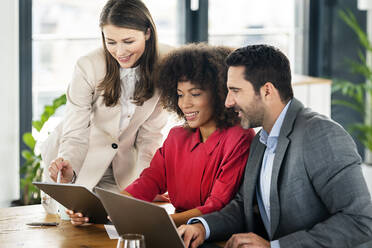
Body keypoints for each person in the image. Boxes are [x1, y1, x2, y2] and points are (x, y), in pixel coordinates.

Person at [178, 44, 372, 248]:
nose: (227, 102)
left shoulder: (321, 134)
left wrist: (275, 247)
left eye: (235, 90)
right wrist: (202, 227)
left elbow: (360, 220)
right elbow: (244, 206)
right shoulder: (261, 140)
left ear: (267, 91)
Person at [67, 43, 256, 226]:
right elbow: (148, 182)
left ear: (220, 93)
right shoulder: (177, 137)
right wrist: (103, 209)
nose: (185, 104)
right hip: (176, 231)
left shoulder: (240, 138)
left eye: (195, 94)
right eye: (180, 94)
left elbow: (217, 206)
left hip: (214, 236)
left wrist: (157, 222)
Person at [41, 0, 171, 197]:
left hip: (122, 170)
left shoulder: (165, 63)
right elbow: (75, 132)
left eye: (128, 41)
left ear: (147, 33)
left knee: (121, 221)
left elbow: (150, 137)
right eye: (111, 42)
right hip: (78, 162)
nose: (120, 52)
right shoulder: (88, 66)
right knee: (72, 221)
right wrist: (68, 169)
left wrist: (147, 186)